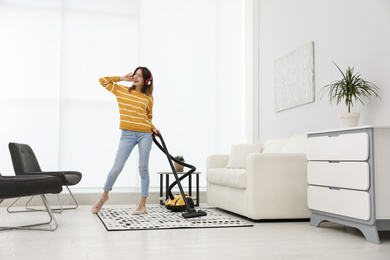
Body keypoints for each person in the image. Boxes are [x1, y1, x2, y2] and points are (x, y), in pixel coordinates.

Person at [91, 66, 160, 215]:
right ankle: (103, 198)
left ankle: (142, 205)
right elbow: (102, 81)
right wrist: (122, 78)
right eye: (135, 74)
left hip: (145, 135)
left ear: (147, 81)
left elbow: (148, 118)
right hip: (127, 134)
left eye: (140, 76)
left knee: (143, 169)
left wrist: (152, 128)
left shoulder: (149, 98)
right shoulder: (121, 91)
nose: (135, 77)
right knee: (116, 168)